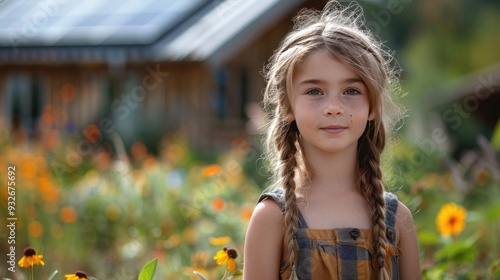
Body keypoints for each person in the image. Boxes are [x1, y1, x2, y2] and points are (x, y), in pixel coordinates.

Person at [243, 1, 420, 279]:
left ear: (373, 105)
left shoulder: (397, 219)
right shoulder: (271, 218)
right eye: (314, 91)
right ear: (287, 106)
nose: (334, 107)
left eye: (351, 90)